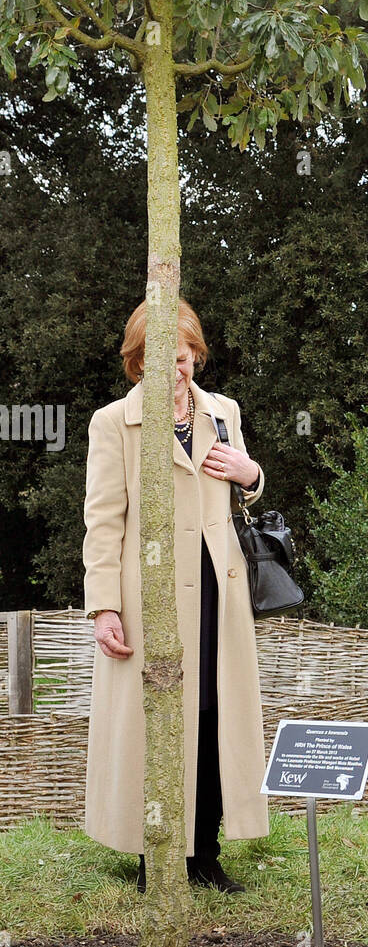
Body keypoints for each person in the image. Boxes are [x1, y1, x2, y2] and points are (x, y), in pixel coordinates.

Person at [83, 298, 270, 893]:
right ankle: (156, 854)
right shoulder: (113, 423)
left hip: (220, 587)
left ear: (196, 355)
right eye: (160, 358)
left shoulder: (225, 413)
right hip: (151, 596)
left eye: (184, 356)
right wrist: (104, 605)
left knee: (214, 713)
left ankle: (206, 853)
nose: (175, 369)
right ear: (138, 363)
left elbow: (247, 495)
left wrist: (251, 474)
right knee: (158, 717)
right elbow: (103, 523)